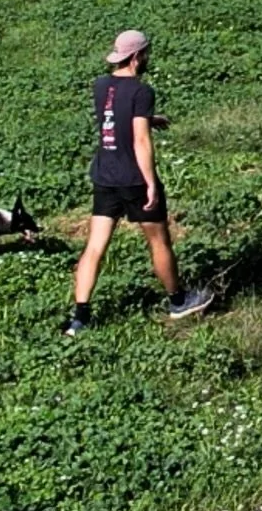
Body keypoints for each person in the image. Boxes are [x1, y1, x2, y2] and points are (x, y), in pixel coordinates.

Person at [63, 29, 212, 336]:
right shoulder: (142, 91)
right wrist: (151, 183)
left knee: (95, 246)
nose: (147, 59)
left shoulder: (101, 85)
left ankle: (79, 318)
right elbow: (140, 141)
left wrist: (149, 118)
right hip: (132, 178)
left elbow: (112, 117)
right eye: (146, 54)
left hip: (104, 175)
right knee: (158, 241)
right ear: (136, 56)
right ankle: (178, 302)